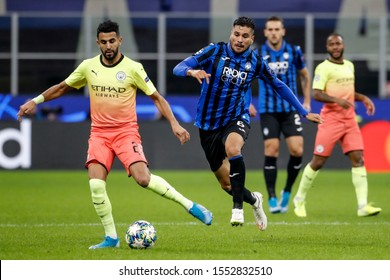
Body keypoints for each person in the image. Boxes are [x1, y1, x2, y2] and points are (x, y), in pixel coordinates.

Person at [17, 19, 213, 249]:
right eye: (103, 42)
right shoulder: (88, 67)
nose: (108, 45)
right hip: (99, 134)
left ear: (120, 40)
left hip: (126, 132)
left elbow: (157, 98)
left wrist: (174, 124)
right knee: (96, 186)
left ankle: (191, 206)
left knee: (143, 179)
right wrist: (36, 100)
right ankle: (111, 238)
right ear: (98, 43)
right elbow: (62, 87)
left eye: (112, 41)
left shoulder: (133, 68)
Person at [173, 16, 322, 229]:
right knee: (226, 184)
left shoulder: (256, 62)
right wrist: (191, 71)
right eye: (236, 34)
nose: (239, 39)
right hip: (207, 124)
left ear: (252, 39)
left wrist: (303, 111)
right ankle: (254, 200)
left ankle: (237, 209)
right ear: (231, 34)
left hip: (236, 117)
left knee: (233, 148)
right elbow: (178, 67)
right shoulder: (214, 51)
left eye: (245, 36)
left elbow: (279, 85)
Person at [293, 33, 382, 217]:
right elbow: (316, 93)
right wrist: (336, 100)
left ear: (343, 46)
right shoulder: (323, 68)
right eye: (331, 44)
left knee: (358, 159)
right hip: (331, 120)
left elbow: (348, 92)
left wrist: (363, 97)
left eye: (338, 44)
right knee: (318, 161)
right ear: (327, 48)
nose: (335, 47)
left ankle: (362, 206)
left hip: (349, 120)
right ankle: (299, 199)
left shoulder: (349, 65)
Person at [248, 16, 311, 214]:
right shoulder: (258, 53)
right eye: (270, 29)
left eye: (277, 29)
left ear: (283, 31)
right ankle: (272, 197)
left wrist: (307, 101)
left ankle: (286, 191)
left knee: (297, 150)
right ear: (265, 32)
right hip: (268, 109)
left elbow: (305, 75)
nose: (274, 32)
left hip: (290, 109)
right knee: (272, 149)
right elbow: (246, 77)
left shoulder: (294, 51)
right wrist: (247, 101)